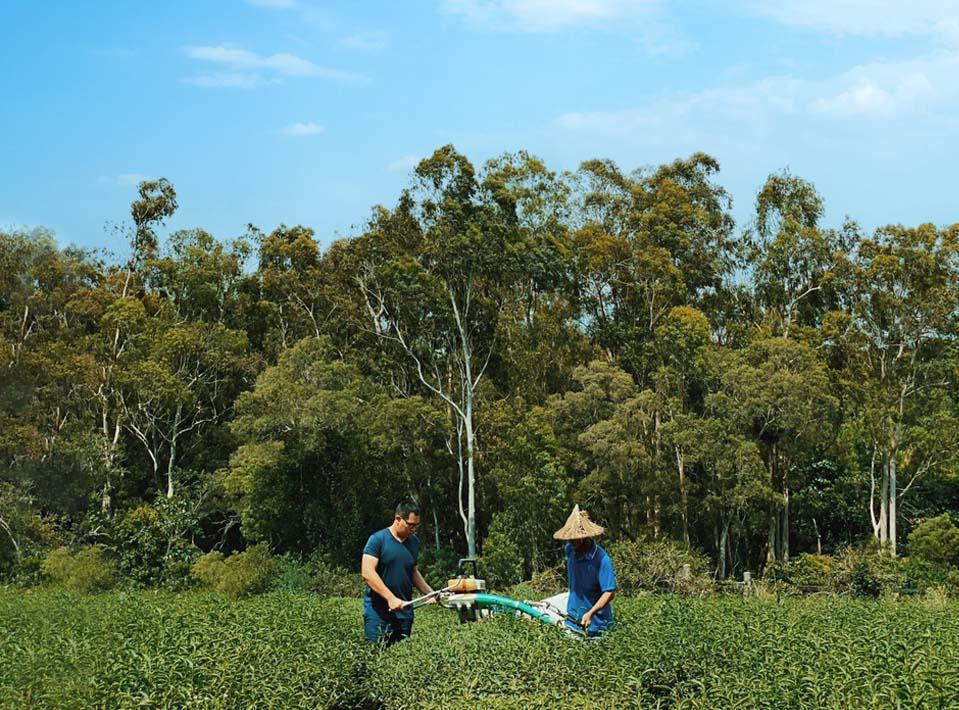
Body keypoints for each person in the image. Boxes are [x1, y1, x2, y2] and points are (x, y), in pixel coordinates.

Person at [361, 500, 435, 646]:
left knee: (400, 660)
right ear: (398, 519)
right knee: (376, 656)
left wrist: (429, 592)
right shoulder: (377, 540)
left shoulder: (413, 542)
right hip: (379, 614)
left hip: (404, 614)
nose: (413, 529)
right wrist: (390, 598)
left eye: (416, 525)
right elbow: (367, 572)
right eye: (411, 525)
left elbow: (412, 570)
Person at [553, 504, 617, 636]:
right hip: (572, 620)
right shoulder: (570, 550)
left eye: (575, 539)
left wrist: (590, 613)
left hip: (596, 625)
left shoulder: (601, 559)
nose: (571, 542)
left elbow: (609, 592)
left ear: (585, 537)